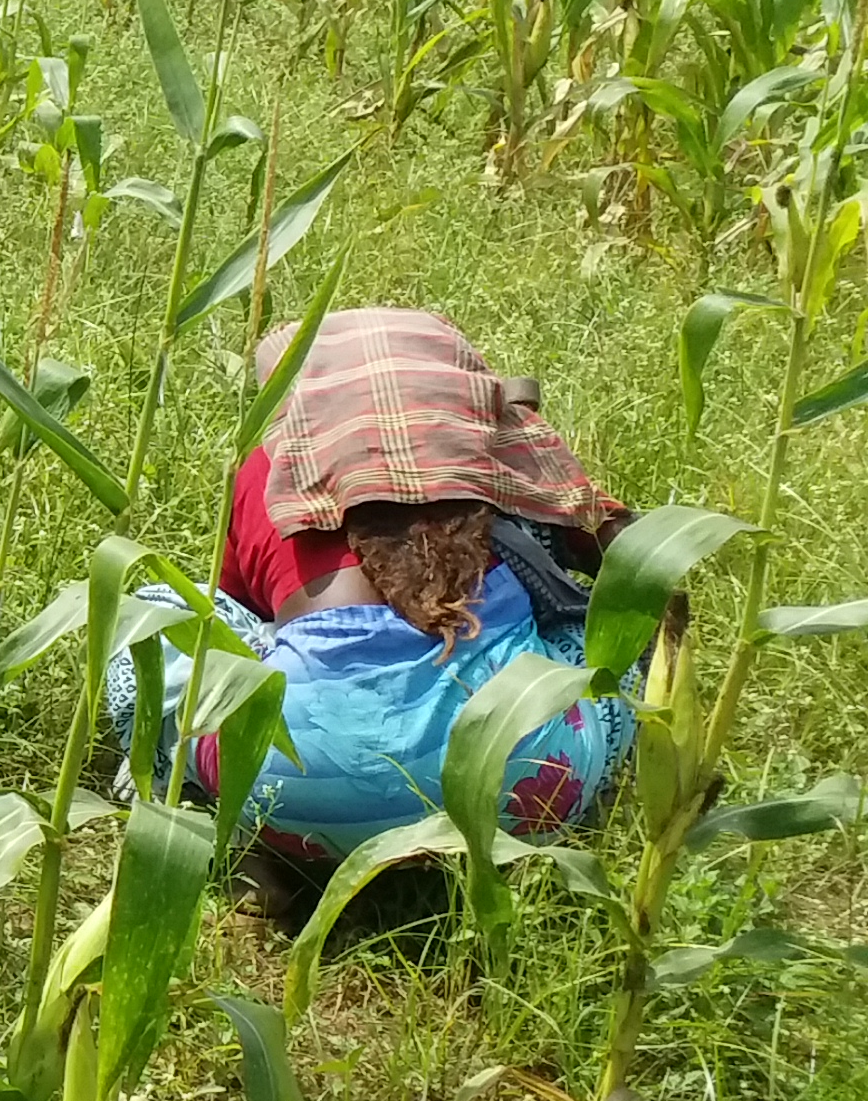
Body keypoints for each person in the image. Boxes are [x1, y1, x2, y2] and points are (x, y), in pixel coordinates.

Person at [117, 308, 635, 864]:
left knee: (156, 612)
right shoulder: (492, 460)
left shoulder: (269, 468)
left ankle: (251, 841)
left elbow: (236, 606)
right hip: (522, 786)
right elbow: (631, 561)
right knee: (614, 649)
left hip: (292, 794)